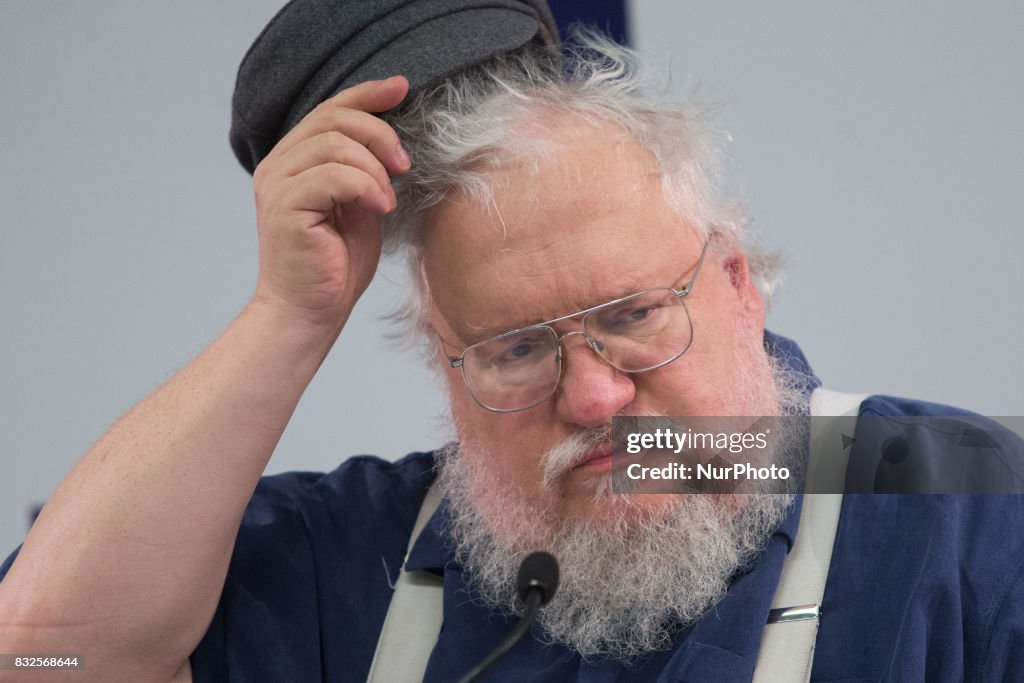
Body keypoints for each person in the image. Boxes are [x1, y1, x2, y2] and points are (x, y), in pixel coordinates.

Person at [1, 2, 1022, 681]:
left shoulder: (957, 510)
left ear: (740, 283)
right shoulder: (356, 556)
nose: (591, 399)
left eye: (631, 315)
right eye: (517, 349)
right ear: (446, 369)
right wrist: (287, 316)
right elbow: (47, 655)